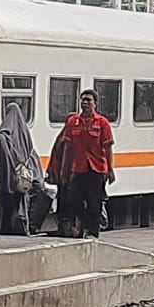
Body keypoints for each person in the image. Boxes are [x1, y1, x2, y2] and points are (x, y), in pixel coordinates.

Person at [54, 89, 115, 239]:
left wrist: (110, 169)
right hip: (78, 168)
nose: (85, 103)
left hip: (97, 168)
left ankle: (93, 231)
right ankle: (82, 224)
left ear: (95, 103)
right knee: (73, 200)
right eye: (83, 100)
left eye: (88, 100)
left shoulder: (102, 123)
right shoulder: (73, 122)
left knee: (95, 201)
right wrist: (64, 170)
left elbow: (108, 148)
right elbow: (68, 147)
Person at [0, 103, 45, 235]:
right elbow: (32, 155)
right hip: (22, 178)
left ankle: (4, 228)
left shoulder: (2, 137)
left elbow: (0, 160)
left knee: (4, 205)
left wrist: (4, 177)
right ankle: (21, 229)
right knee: (20, 204)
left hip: (6, 178)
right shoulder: (25, 134)